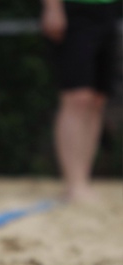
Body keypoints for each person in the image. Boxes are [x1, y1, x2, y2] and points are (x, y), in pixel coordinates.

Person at [40, 0, 120, 202]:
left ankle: (83, 179)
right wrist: (52, 7)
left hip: (108, 10)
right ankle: (74, 184)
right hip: (74, 10)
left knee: (97, 99)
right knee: (77, 97)